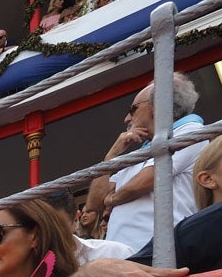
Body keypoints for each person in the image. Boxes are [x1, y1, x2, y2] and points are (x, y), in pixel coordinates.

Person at [85, 73, 206, 252]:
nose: (127, 118)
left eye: (132, 109)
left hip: (162, 251)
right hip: (126, 256)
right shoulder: (139, 153)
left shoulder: (192, 131)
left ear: (156, 108)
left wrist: (113, 198)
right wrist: (113, 153)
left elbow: (149, 179)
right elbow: (94, 204)